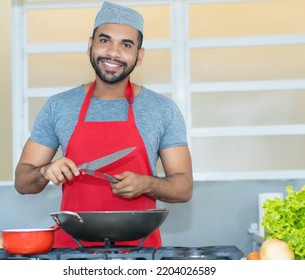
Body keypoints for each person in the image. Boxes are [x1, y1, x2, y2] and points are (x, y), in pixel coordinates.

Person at [14, 1, 193, 248]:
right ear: (90, 45)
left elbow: (184, 187)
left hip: (140, 256)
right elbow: (22, 180)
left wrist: (147, 184)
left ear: (139, 56)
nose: (113, 53)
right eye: (105, 40)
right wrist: (45, 171)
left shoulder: (162, 109)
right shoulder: (58, 106)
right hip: (70, 254)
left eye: (126, 45)